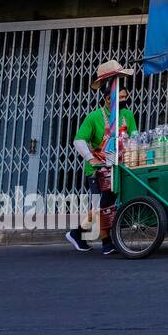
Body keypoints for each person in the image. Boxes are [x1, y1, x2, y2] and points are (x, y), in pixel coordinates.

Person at [66, 60, 138, 255]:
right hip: (97, 170)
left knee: (107, 205)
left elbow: (134, 137)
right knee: (102, 205)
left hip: (118, 166)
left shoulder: (127, 115)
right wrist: (91, 159)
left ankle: (90, 237)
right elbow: (79, 141)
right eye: (121, 97)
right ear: (108, 99)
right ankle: (94, 239)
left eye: (126, 96)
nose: (126, 99)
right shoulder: (94, 117)